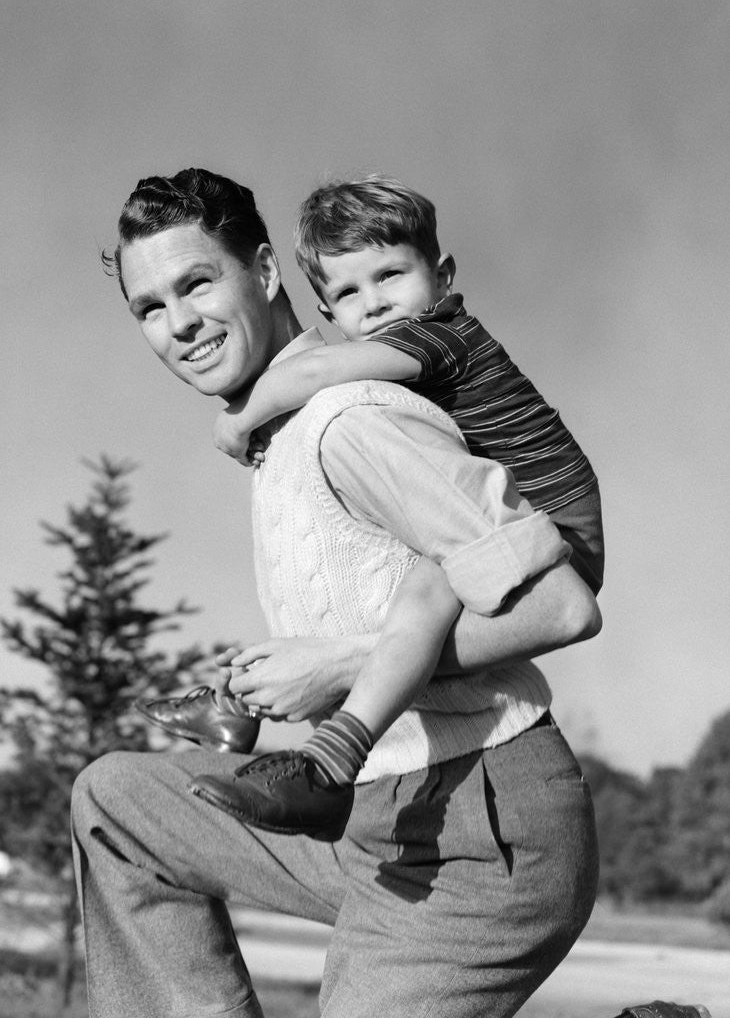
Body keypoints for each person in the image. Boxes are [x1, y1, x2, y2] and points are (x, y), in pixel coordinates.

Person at [72, 167, 602, 1018]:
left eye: (198, 283)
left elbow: (564, 605)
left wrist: (340, 669)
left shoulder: (350, 417)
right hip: (369, 817)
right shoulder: (280, 433)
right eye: (149, 307)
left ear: (268, 272)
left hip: (478, 836)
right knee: (119, 803)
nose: (179, 324)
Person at [137, 176, 605, 839]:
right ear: (328, 307)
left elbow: (314, 374)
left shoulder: (430, 342)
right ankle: (238, 707)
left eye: (391, 275)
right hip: (394, 793)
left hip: (557, 537)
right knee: (116, 798)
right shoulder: (340, 411)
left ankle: (328, 760)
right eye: (351, 292)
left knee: (427, 585)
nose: (377, 303)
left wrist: (238, 424)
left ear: (442, 276)